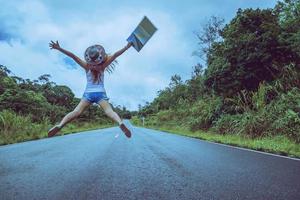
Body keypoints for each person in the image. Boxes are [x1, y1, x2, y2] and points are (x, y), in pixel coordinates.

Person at [47, 40, 132, 138]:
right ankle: (120, 123)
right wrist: (127, 47)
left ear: (89, 58)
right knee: (109, 111)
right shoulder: (102, 66)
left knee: (76, 111)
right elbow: (116, 55)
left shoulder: (87, 66)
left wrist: (59, 48)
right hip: (100, 93)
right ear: (99, 57)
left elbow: (72, 56)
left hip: (88, 94)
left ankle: (60, 125)